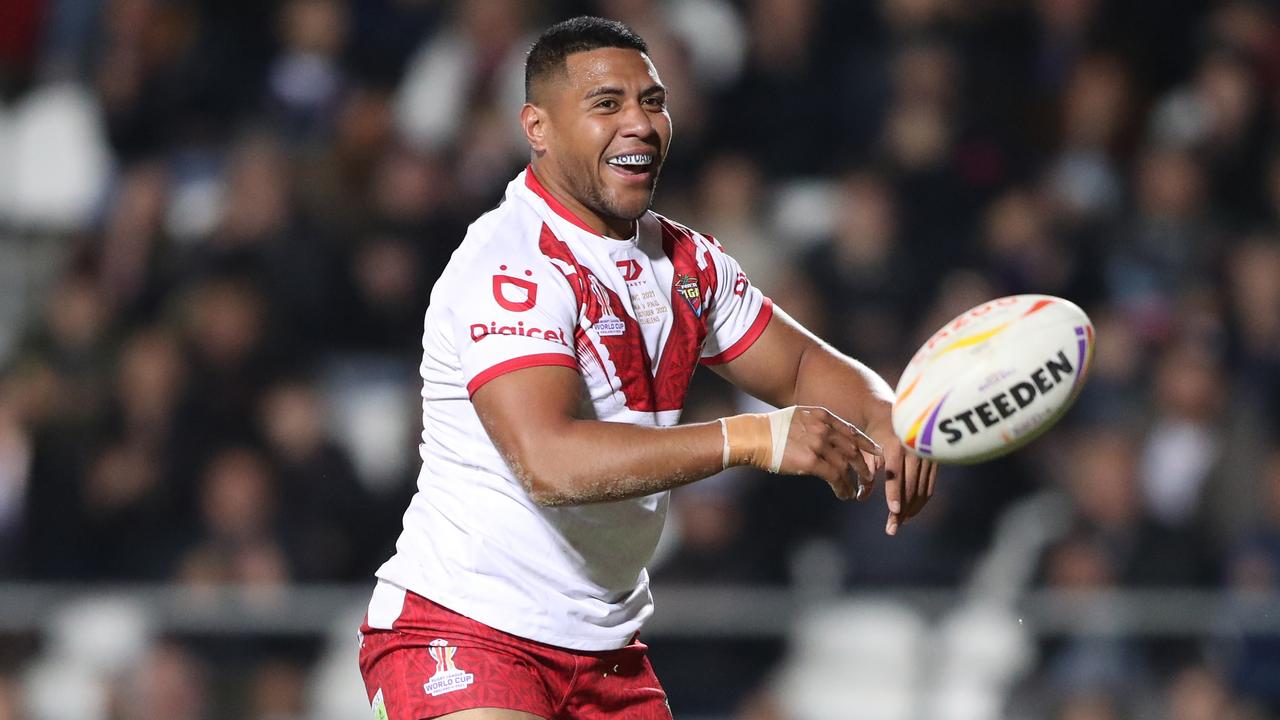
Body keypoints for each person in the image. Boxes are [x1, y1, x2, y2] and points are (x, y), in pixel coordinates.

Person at [357, 16, 938, 720]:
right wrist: (748, 439)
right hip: (466, 629)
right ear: (536, 128)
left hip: (605, 650)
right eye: (607, 104)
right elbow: (549, 462)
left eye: (653, 102)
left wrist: (886, 414)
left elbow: (802, 365)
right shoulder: (510, 263)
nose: (640, 122)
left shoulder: (686, 263)